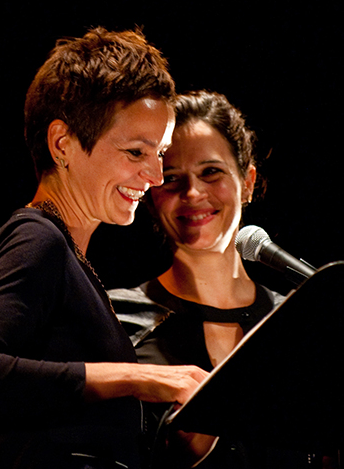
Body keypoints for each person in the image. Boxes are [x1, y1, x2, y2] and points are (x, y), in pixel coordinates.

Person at [0, 28, 212, 469]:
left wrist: (180, 440)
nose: (156, 175)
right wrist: (138, 377)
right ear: (62, 144)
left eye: (159, 152)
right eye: (137, 151)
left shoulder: (66, 255)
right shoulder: (36, 239)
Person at [110, 91, 321, 468]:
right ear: (150, 192)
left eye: (211, 172)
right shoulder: (115, 317)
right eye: (171, 178)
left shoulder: (300, 322)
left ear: (248, 181)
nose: (192, 193)